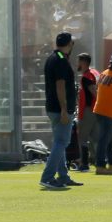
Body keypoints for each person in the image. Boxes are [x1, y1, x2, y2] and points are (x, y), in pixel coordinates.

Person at [39, 32, 81, 189]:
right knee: (61, 142)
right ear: (69, 44)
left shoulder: (52, 58)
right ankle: (48, 177)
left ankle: (63, 176)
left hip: (52, 107)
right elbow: (60, 85)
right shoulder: (61, 60)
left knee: (60, 142)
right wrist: (64, 109)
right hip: (60, 108)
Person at [76, 53, 99, 173]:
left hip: (89, 110)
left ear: (83, 62)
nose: (77, 64)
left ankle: (84, 164)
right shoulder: (95, 72)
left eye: (78, 61)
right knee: (96, 138)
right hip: (96, 110)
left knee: (82, 138)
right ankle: (100, 162)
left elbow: (93, 91)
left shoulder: (87, 76)